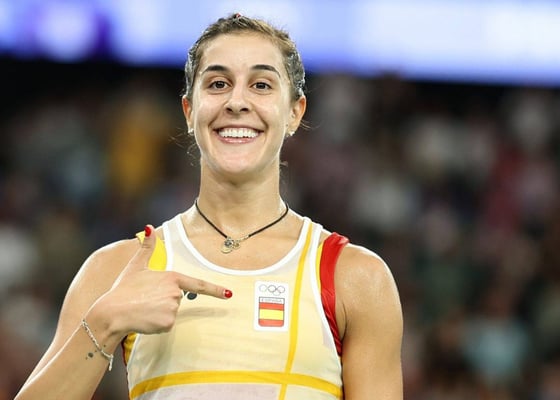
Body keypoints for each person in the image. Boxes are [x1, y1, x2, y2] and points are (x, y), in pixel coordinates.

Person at [15, 13, 403, 400]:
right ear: (189, 111)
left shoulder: (356, 278)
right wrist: (104, 323)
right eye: (218, 84)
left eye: (261, 85)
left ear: (294, 113)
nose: (237, 102)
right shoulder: (116, 269)